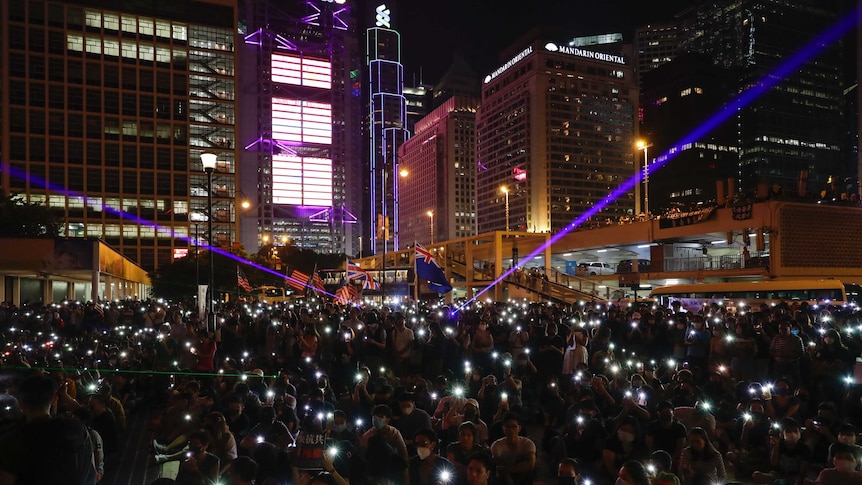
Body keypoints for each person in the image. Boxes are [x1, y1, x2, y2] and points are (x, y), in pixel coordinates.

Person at [0, 373, 97, 485]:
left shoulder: (12, 441)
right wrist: (64, 395)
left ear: (21, 405)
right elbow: (89, 473)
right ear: (54, 399)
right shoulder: (76, 429)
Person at [490, 413, 536, 485]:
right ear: (503, 428)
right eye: (508, 427)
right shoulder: (497, 445)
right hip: (505, 478)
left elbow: (531, 464)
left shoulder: (527, 443)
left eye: (514, 427)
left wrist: (510, 469)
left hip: (522, 476)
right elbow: (500, 467)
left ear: (519, 428)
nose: (510, 430)